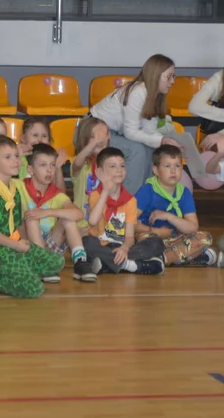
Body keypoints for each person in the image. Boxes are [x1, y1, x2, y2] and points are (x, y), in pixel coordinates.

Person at [0, 136, 64, 298]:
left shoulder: (13, 187)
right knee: (35, 289)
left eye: (16, 155)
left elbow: (17, 222)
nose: (15, 161)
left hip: (14, 243)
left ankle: (18, 267)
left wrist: (22, 244)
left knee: (56, 263)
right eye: (8, 157)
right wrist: (16, 246)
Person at [89, 54, 185, 193]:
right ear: (155, 75)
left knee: (150, 149)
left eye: (173, 76)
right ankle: (129, 203)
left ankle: (147, 197)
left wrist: (163, 141)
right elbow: (131, 132)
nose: (172, 81)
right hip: (91, 131)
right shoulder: (138, 92)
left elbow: (148, 130)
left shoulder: (155, 96)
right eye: (168, 76)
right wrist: (162, 140)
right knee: (137, 151)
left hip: (112, 132)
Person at [83, 147, 166, 276]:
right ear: (100, 171)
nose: (119, 170)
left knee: (156, 243)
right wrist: (105, 190)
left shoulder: (130, 200)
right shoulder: (96, 195)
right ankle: (132, 266)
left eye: (122, 166)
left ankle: (106, 265)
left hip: (122, 248)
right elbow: (92, 221)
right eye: (112, 166)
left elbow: (129, 236)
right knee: (86, 242)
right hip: (101, 245)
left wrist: (125, 248)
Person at [22, 143, 95, 282]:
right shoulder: (20, 187)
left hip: (50, 246)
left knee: (67, 217)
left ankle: (80, 261)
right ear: (30, 169)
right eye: (43, 165)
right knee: (31, 216)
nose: (49, 170)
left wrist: (47, 212)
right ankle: (42, 263)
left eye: (52, 165)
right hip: (26, 248)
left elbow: (78, 214)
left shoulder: (56, 194)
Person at [133, 144, 215, 266]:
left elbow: (193, 227)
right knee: (145, 239)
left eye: (177, 166)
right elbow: (129, 223)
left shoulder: (184, 192)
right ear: (155, 170)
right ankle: (185, 256)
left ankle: (163, 259)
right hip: (151, 236)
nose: (173, 171)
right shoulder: (147, 190)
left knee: (205, 237)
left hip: (174, 239)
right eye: (167, 166)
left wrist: (168, 216)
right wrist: (156, 231)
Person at [71, 116, 109, 223]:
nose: (99, 140)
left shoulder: (111, 164)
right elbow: (77, 163)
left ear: (109, 136)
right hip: (81, 223)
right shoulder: (82, 164)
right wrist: (94, 142)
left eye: (103, 135)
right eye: (93, 136)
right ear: (85, 138)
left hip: (103, 224)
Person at [17, 116, 66, 186]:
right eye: (35, 135)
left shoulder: (52, 162)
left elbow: (60, 194)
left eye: (44, 136)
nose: (40, 139)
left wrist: (58, 168)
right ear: (23, 138)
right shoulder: (19, 159)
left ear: (49, 141)